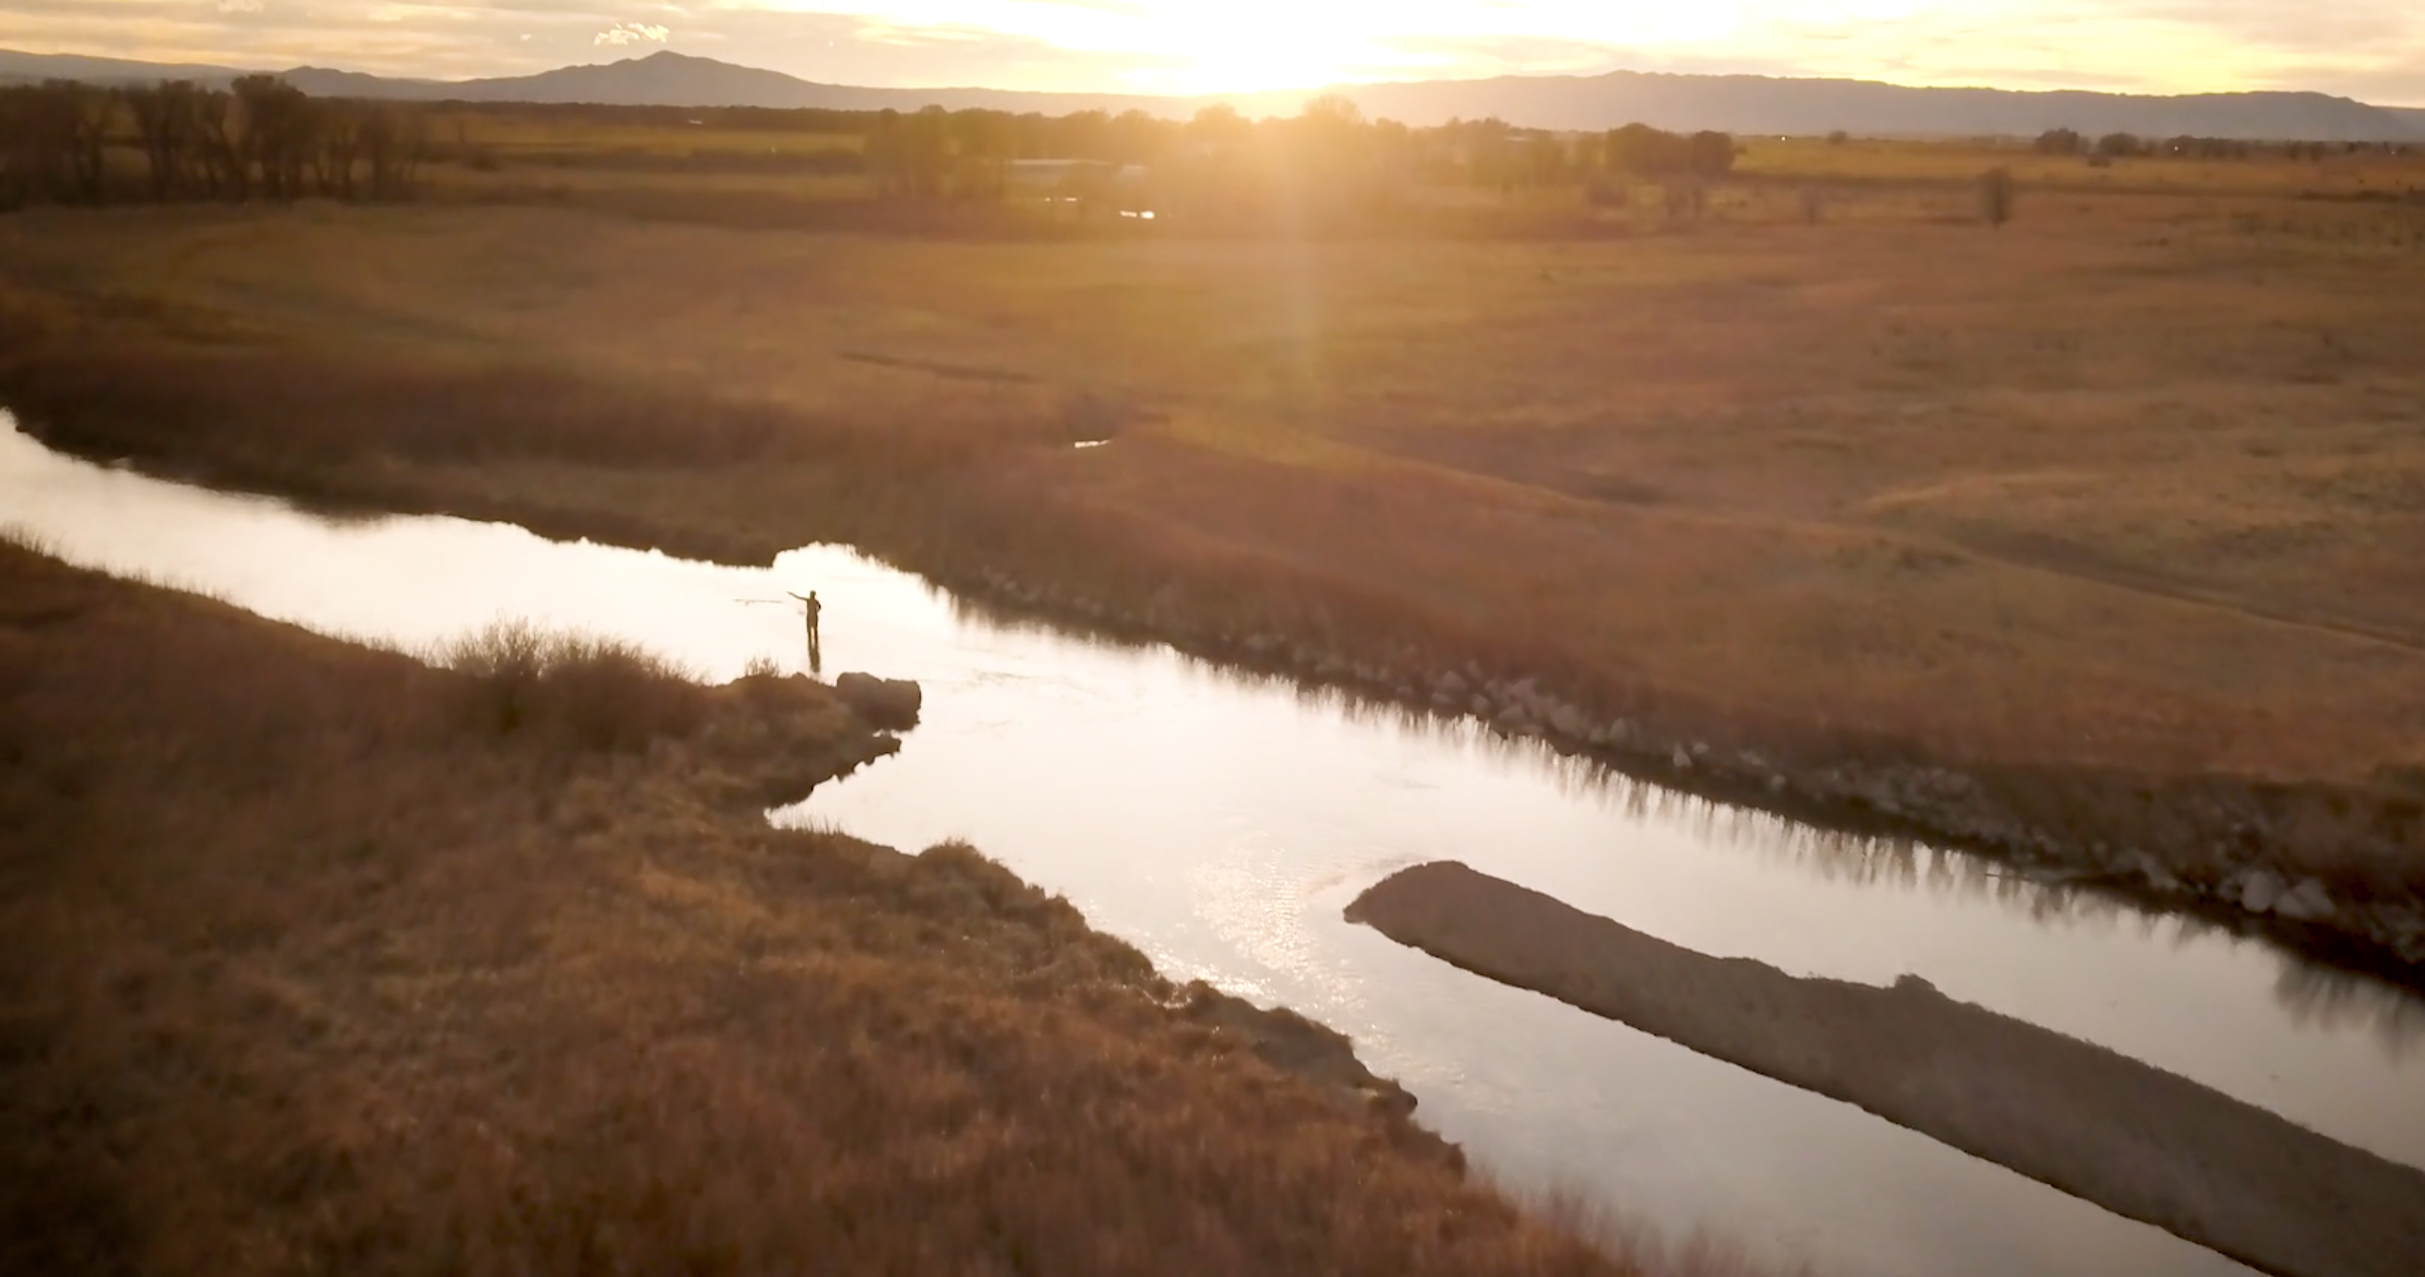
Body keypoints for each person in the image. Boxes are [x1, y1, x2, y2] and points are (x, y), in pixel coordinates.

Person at [788, 591, 822, 671]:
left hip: (810, 615)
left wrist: (792, 594)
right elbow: (820, 607)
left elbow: (799, 597)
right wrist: (816, 611)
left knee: (810, 630)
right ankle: (815, 643)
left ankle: (811, 642)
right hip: (814, 616)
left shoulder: (809, 600)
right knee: (814, 629)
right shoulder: (815, 601)